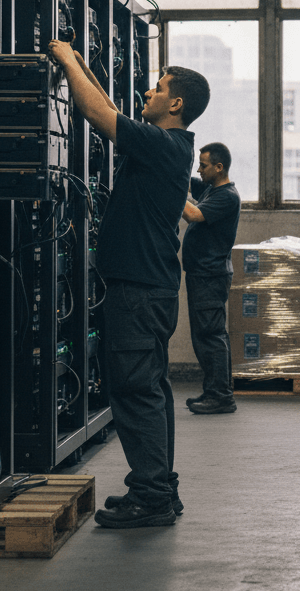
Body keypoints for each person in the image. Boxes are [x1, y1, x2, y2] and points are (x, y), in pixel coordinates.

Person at [47, 39, 210, 528]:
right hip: (149, 287)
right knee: (151, 389)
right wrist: (80, 64)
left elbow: (97, 114)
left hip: (139, 290)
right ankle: (157, 485)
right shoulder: (169, 145)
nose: (149, 89)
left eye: (158, 87)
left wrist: (66, 61)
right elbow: (112, 107)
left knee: (136, 390)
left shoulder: (163, 144)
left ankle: (153, 496)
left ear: (175, 103)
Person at [182, 142, 241, 415]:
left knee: (210, 336)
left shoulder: (227, 196)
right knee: (208, 335)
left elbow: (193, 214)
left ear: (219, 168)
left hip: (210, 275)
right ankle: (215, 392)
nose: (199, 169)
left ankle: (220, 396)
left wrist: (172, 192)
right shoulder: (210, 188)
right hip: (202, 274)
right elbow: (186, 180)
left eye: (203, 166)